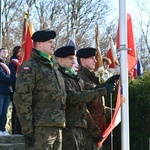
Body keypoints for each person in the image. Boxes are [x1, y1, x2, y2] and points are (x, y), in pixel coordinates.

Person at [54, 45, 117, 150]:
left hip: (82, 128)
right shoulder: (61, 77)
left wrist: (105, 85)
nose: (95, 61)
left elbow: (91, 95)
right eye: (70, 59)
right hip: (73, 128)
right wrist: (104, 89)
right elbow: (76, 98)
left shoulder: (74, 77)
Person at [14, 30, 67, 150]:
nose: (53, 45)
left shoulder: (54, 66)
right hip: (40, 128)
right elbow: (21, 100)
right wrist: (27, 129)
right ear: (39, 44)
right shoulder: (31, 66)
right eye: (50, 42)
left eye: (53, 42)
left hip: (57, 126)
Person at [76, 47, 120, 150]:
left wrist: (116, 113)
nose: (95, 61)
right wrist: (96, 133)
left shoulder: (90, 79)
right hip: (88, 133)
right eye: (92, 58)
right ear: (82, 60)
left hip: (97, 132)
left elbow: (97, 107)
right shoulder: (80, 79)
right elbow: (83, 110)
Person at [0, 47, 16, 136]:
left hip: (7, 91)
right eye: (3, 51)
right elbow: (2, 77)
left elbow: (11, 75)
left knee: (5, 112)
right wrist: (13, 79)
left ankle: (2, 129)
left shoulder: (7, 65)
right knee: (0, 111)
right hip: (1, 90)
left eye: (6, 51)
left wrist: (12, 78)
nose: (5, 53)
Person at [9, 45, 22, 134]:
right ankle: (15, 130)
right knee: (16, 110)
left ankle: (20, 129)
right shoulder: (13, 63)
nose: (21, 53)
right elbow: (12, 76)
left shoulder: (22, 61)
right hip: (15, 89)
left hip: (21, 89)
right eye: (20, 51)